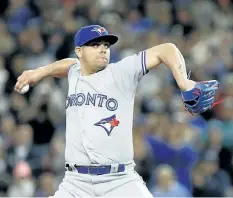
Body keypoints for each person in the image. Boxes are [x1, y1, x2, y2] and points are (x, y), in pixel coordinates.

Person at [14, 25, 219, 197]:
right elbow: (68, 65)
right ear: (79, 51)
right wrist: (38, 72)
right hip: (75, 183)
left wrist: (183, 82)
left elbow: (166, 49)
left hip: (119, 181)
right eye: (95, 45)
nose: (103, 49)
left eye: (106, 45)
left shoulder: (121, 72)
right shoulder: (75, 72)